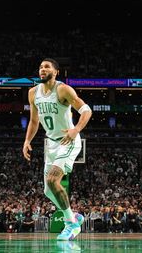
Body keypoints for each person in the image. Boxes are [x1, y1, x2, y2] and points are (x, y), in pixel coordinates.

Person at [22, 58, 92, 241]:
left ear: (56, 72)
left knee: (53, 180)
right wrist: (27, 141)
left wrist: (75, 129)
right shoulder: (32, 93)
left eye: (46, 67)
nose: (42, 69)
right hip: (51, 143)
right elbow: (34, 121)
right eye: (40, 67)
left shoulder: (63, 89)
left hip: (68, 140)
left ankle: (72, 225)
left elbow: (86, 110)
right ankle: (74, 215)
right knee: (47, 190)